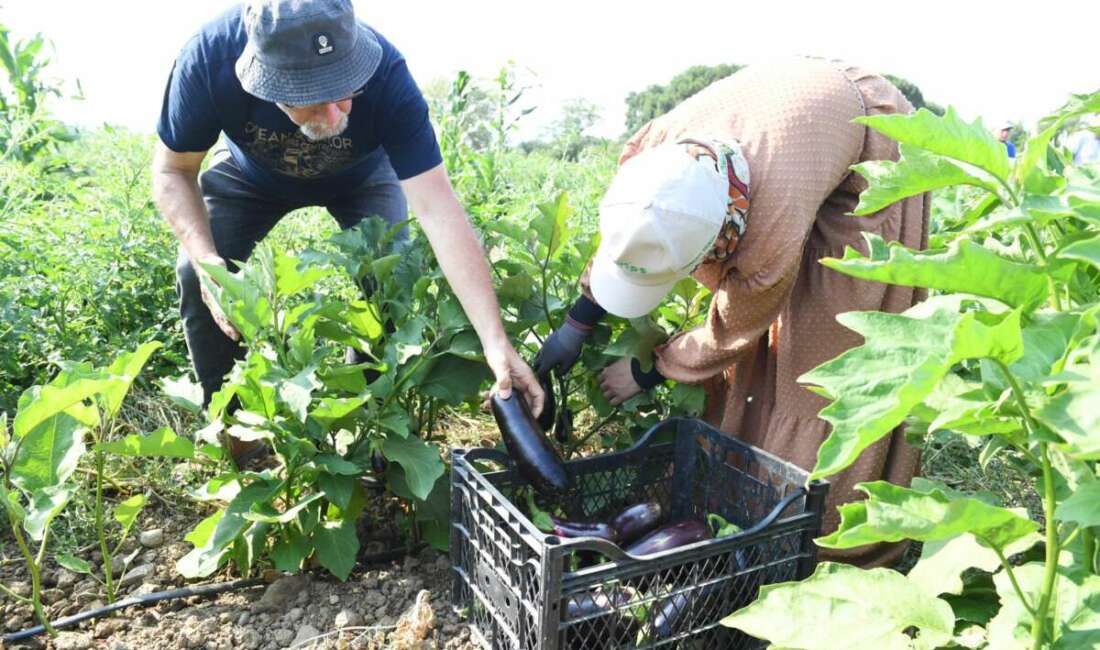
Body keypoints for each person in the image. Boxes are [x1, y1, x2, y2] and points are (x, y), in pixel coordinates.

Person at [536, 59, 929, 568]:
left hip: (871, 145)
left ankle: (825, 545)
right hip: (794, 125)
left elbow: (736, 331)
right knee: (771, 354)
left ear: (716, 238)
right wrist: (577, 321)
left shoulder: (770, 225)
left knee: (822, 359)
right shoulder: (650, 156)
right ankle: (737, 507)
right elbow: (634, 230)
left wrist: (648, 370)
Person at [152, 0, 543, 463]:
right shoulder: (210, 59)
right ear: (264, 78)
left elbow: (438, 207)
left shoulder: (387, 76)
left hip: (363, 178)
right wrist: (206, 259)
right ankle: (239, 438)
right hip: (249, 175)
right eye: (314, 95)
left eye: (346, 84)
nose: (339, 107)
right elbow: (173, 171)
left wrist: (495, 341)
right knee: (198, 275)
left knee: (393, 280)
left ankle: (372, 432)